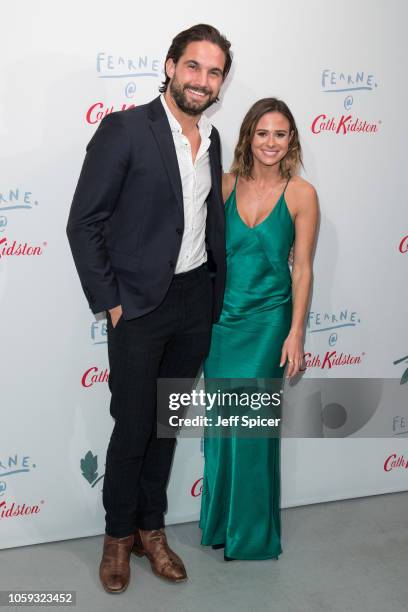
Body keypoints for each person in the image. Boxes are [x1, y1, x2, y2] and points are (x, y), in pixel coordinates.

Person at [66, 24, 232, 593]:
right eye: (193, 67)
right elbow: (83, 222)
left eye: (213, 73)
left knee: (167, 423)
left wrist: (212, 294)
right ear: (170, 66)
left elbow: (209, 222)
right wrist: (111, 304)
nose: (201, 80)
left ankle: (151, 529)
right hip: (138, 307)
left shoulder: (211, 138)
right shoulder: (126, 129)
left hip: (193, 301)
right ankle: (117, 537)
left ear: (220, 84)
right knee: (134, 424)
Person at [200, 98, 318, 560]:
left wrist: (296, 333)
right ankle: (219, 525)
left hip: (269, 321)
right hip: (220, 322)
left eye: (280, 134)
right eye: (262, 133)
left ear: (292, 140)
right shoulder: (224, 184)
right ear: (248, 136)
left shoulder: (301, 193)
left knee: (252, 427)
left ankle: (251, 536)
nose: (271, 142)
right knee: (221, 426)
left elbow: (303, 270)